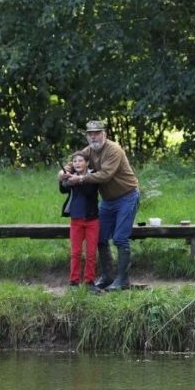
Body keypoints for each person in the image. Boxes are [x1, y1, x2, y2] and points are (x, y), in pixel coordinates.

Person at [60, 120, 139, 291]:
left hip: (127, 196)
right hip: (107, 201)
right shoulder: (89, 150)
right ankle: (107, 276)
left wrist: (80, 179)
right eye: (90, 133)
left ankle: (123, 280)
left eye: (97, 133)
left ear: (105, 134)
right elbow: (76, 160)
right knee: (100, 238)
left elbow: (105, 175)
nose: (93, 136)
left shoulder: (113, 150)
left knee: (119, 238)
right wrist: (64, 172)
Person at [60, 152, 100, 293]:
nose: (77, 163)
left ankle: (89, 282)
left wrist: (78, 180)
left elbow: (90, 191)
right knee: (75, 252)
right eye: (74, 161)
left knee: (90, 253)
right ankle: (73, 282)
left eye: (80, 160)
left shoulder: (93, 175)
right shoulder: (71, 175)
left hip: (92, 220)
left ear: (87, 163)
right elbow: (63, 189)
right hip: (76, 220)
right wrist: (63, 179)